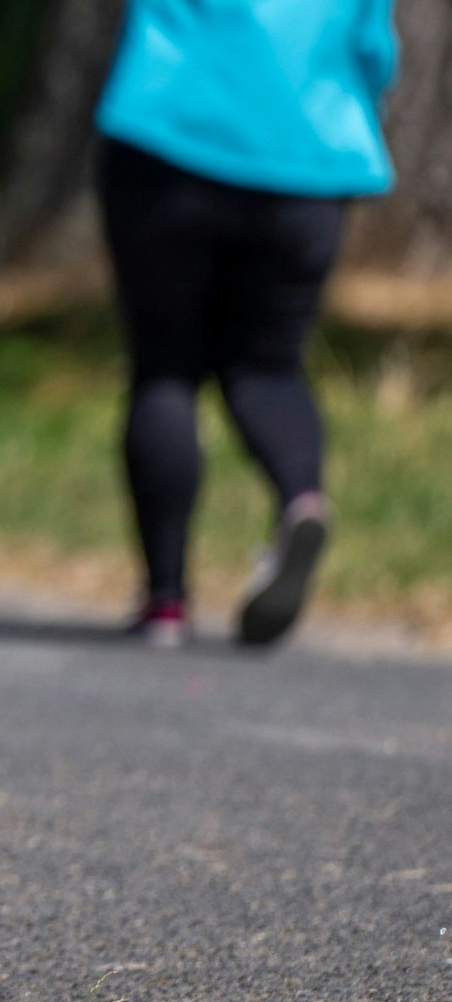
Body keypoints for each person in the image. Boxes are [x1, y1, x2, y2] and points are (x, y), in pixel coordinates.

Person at [96, 0, 398, 648]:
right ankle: (302, 502)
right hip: (307, 158)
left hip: (168, 136)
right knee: (268, 365)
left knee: (166, 367)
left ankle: (167, 602)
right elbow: (376, 52)